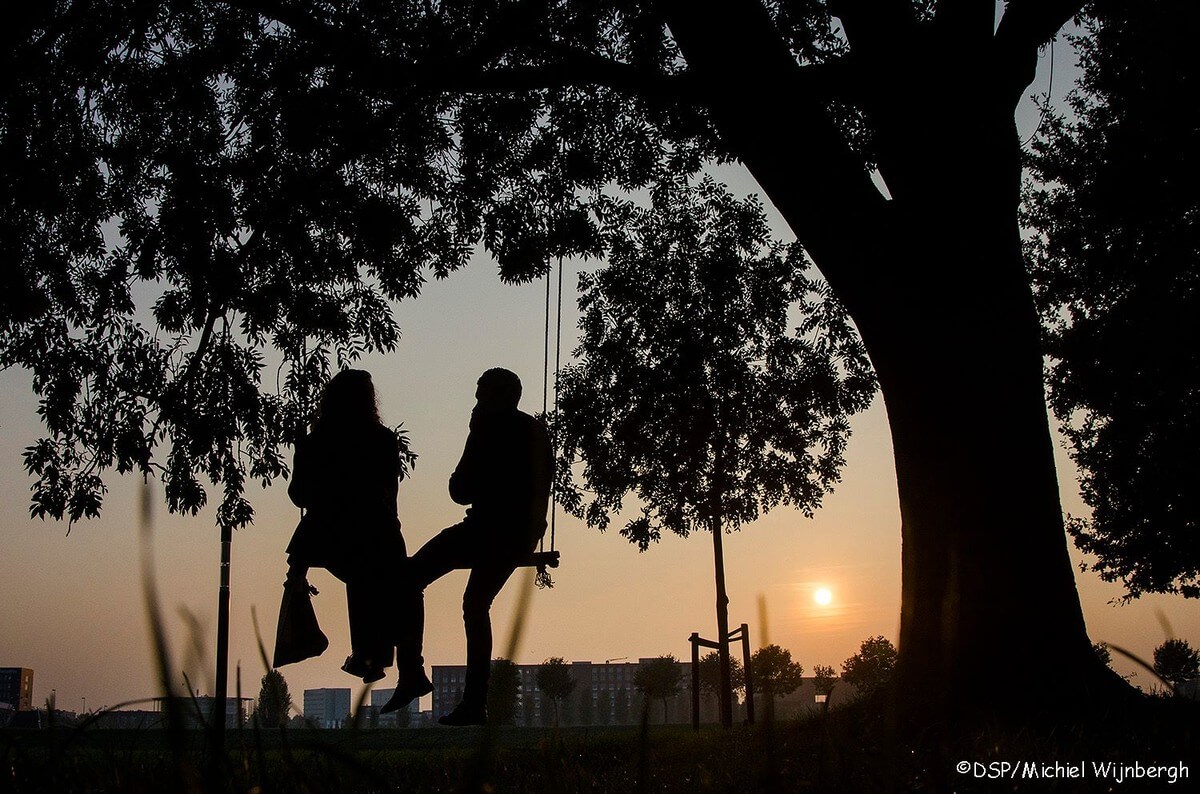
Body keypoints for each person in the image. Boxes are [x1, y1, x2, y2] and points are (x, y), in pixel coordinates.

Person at [385, 368, 552, 724]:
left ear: (497, 397)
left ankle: (414, 673)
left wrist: (473, 435)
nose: (475, 402)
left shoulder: (488, 431)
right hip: (516, 533)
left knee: (411, 577)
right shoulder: (536, 431)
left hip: (487, 530)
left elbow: (459, 490)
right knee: (475, 605)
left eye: (480, 395)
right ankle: (474, 702)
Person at [285, 369, 430, 700]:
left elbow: (300, 496)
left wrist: (301, 453)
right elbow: (389, 499)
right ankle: (392, 662)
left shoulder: (319, 440)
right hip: (376, 535)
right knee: (395, 582)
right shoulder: (382, 439)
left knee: (368, 576)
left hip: (331, 536)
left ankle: (374, 656)